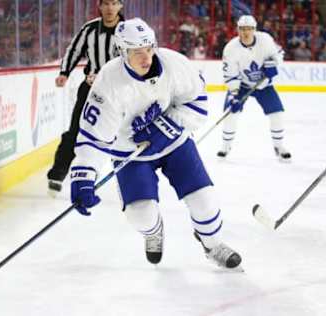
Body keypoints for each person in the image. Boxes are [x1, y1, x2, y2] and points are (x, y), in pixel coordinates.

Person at [69, 18, 242, 269]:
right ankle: (153, 232)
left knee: (205, 201)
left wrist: (167, 126)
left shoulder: (174, 63)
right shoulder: (108, 82)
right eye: (137, 52)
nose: (146, 57)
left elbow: (197, 102)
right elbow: (94, 136)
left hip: (174, 142)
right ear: (122, 51)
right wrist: (84, 175)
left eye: (149, 48)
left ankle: (212, 245)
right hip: (130, 152)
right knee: (141, 215)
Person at [47, 0, 124, 196]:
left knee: (126, 133)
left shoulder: (127, 31)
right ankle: (57, 174)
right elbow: (73, 50)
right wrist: (65, 72)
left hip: (121, 91)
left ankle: (131, 179)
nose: (109, 8)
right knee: (75, 131)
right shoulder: (89, 29)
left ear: (120, 6)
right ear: (100, 6)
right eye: (105, 3)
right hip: (90, 90)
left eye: (114, 3)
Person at [218, 15, 291, 162]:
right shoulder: (231, 48)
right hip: (242, 86)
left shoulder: (266, 40)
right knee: (230, 113)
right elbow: (230, 75)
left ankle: (279, 146)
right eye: (242, 29)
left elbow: (279, 54)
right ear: (238, 30)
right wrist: (233, 96)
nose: (246, 33)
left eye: (249, 29)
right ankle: (226, 147)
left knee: (277, 114)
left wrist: (273, 65)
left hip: (264, 85)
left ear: (254, 30)